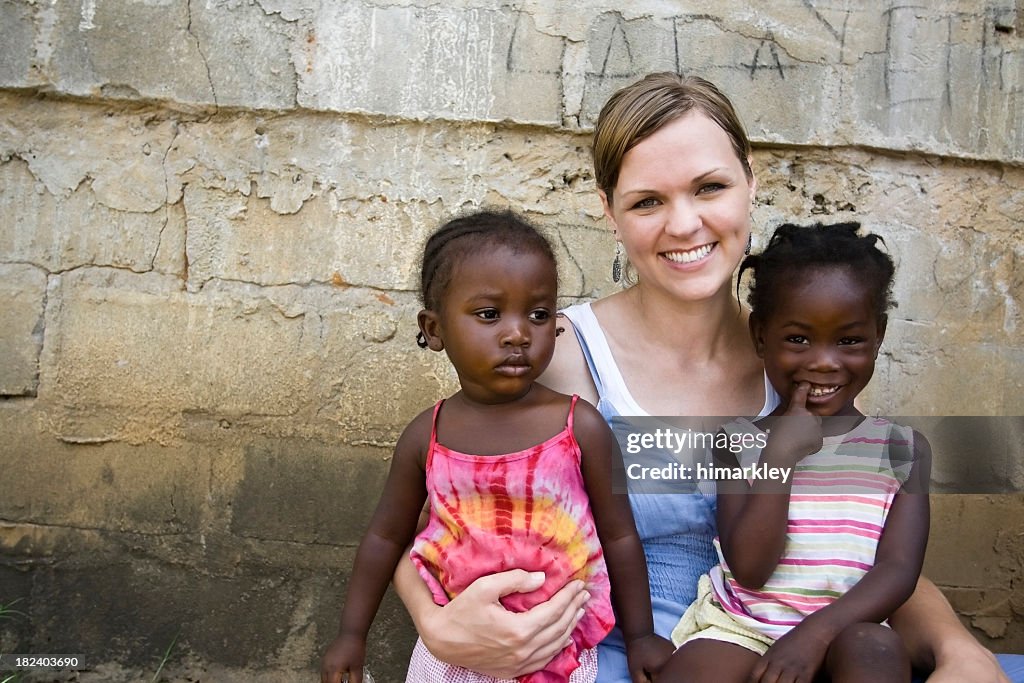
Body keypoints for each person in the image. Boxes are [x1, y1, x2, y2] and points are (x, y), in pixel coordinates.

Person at [393, 73, 1021, 683]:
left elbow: (851, 542)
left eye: (710, 187)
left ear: (752, 180)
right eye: (647, 201)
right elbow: (430, 519)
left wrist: (958, 647)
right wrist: (438, 623)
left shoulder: (804, 363)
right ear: (608, 211)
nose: (684, 224)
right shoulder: (560, 354)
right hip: (604, 657)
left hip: (779, 654)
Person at [320, 209, 674, 683]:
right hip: (451, 656)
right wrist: (351, 633)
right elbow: (386, 537)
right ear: (434, 329)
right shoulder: (426, 437)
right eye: (489, 314)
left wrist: (641, 637)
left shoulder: (579, 427)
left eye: (539, 314)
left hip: (558, 653)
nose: (517, 333)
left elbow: (619, 537)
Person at [661, 221, 930, 683]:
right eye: (798, 339)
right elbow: (749, 569)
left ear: (878, 336)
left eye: (848, 341)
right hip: (744, 626)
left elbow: (898, 570)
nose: (824, 361)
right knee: (691, 671)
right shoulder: (737, 441)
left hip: (847, 629)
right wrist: (779, 458)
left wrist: (815, 635)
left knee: (878, 650)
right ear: (761, 336)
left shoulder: (902, 450)